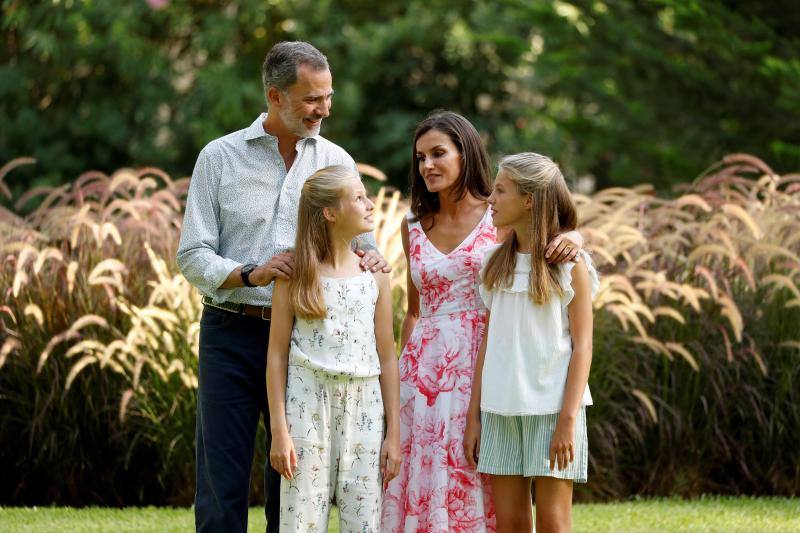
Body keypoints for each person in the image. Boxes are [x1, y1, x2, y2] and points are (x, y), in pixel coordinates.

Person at [176, 41, 388, 533]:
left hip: (305, 341)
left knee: (293, 484)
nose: (324, 109)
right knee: (220, 480)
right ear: (275, 95)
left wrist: (371, 256)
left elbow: (360, 244)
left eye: (328, 96)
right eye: (312, 99)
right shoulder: (220, 157)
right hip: (230, 331)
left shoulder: (336, 160)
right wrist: (251, 273)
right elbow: (192, 253)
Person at [381, 111, 583, 532]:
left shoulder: (498, 218)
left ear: (465, 153)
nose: (427, 166)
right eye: (420, 158)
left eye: (438, 153)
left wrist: (575, 237)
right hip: (425, 372)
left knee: (477, 482)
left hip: (490, 362)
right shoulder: (413, 225)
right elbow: (414, 310)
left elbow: (547, 232)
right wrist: (403, 379)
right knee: (427, 478)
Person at [464, 152, 599, 533]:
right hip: (500, 410)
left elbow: (583, 347)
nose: (491, 198)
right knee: (511, 524)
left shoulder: (571, 266)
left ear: (528, 200)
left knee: (554, 523)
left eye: (501, 190)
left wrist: (567, 421)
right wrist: (475, 417)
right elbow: (488, 344)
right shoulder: (493, 263)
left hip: (553, 410)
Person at [266, 165, 401, 532]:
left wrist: (394, 432)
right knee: (301, 519)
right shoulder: (294, 276)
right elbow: (276, 355)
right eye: (359, 197)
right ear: (330, 213)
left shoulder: (374, 275)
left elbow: (387, 356)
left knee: (365, 518)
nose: (370, 204)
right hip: (307, 405)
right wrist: (280, 430)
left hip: (366, 407)